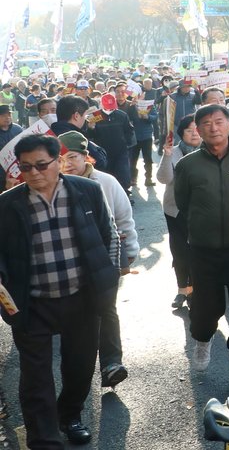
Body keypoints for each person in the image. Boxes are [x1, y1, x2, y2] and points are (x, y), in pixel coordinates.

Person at [0, 134, 120, 448]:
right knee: (36, 377)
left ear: (59, 161)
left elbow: (109, 237)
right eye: (26, 168)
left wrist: (108, 284)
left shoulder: (88, 191)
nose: (34, 173)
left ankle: (70, 416)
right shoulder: (7, 205)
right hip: (33, 304)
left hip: (82, 298)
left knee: (79, 367)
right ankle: (43, 437)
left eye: (41, 165)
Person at [173, 104, 229, 385]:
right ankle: (202, 339)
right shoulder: (188, 165)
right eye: (206, 124)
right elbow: (183, 203)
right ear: (198, 130)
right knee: (203, 307)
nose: (213, 128)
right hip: (203, 250)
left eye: (218, 121)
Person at [56, 131, 138, 388]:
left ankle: (111, 364)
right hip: (68, 263)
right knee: (79, 316)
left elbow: (124, 217)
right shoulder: (53, 186)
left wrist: (131, 251)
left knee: (106, 308)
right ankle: (79, 371)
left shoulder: (106, 182)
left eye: (72, 157)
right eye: (61, 159)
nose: (67, 163)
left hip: (104, 258)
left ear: (85, 157)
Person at [157, 115, 200, 309]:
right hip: (175, 210)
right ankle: (183, 289)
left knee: (198, 250)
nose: (194, 134)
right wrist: (166, 155)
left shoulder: (209, 149)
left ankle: (198, 288)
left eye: (197, 129)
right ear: (182, 133)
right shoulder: (173, 152)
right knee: (180, 250)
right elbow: (164, 179)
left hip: (202, 210)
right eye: (189, 130)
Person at [87, 93, 136, 192]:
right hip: (103, 152)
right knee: (107, 175)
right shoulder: (95, 116)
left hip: (120, 151)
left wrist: (126, 143)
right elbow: (89, 135)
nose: (110, 110)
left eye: (112, 107)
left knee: (123, 174)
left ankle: (125, 193)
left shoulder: (121, 115)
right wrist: (91, 128)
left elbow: (129, 131)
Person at [124, 88, 159, 187]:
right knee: (133, 159)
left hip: (146, 135)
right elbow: (126, 118)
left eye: (140, 94)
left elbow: (155, 117)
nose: (139, 96)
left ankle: (148, 178)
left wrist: (147, 117)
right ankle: (133, 178)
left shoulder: (149, 104)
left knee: (148, 159)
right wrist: (132, 107)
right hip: (134, 136)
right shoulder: (130, 105)